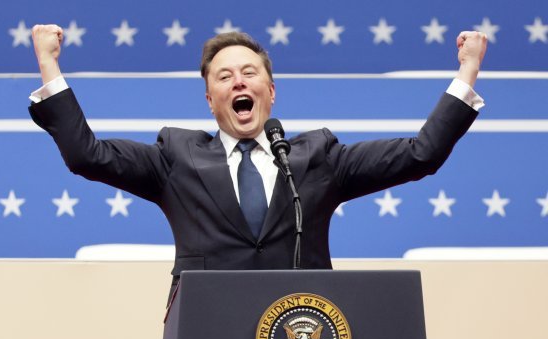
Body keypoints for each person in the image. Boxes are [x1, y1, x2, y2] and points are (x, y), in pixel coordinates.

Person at [29, 26, 487, 301]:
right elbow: (87, 155)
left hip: (303, 337)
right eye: (224, 77)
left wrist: (467, 71)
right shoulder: (175, 158)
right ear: (210, 100)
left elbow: (420, 154)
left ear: (271, 91)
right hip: (207, 333)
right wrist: (49, 64)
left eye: (249, 73)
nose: (238, 82)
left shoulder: (318, 158)